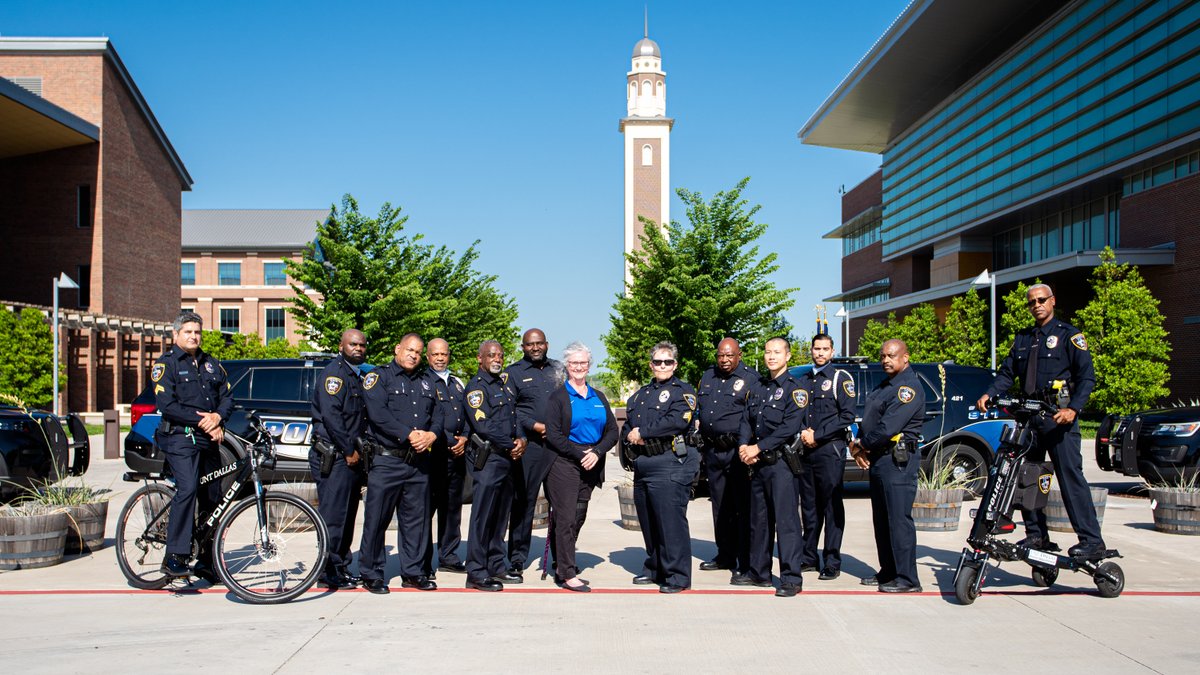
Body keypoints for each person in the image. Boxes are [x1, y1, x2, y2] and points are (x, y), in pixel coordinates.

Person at [976, 283, 1104, 559]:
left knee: (1071, 479)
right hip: (1030, 419)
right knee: (1028, 480)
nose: (1036, 305)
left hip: (1058, 420)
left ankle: (1092, 541)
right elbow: (1007, 373)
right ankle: (1036, 536)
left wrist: (1075, 409)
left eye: (1041, 300)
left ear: (1053, 301)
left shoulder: (1069, 336)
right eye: (1032, 302)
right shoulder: (1023, 338)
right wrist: (989, 393)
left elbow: (1087, 378)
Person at [358, 333, 442, 594]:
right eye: (409, 350)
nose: (413, 355)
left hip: (418, 462)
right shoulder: (379, 378)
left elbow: (439, 414)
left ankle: (413, 572)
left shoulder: (428, 382)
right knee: (377, 519)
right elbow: (378, 415)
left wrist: (432, 434)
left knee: (415, 521)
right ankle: (371, 572)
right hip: (387, 461)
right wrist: (409, 434)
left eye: (418, 352)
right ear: (398, 348)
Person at [152, 311, 233, 580]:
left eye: (197, 331)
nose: (193, 336)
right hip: (179, 437)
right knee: (187, 488)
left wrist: (218, 417)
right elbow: (167, 405)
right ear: (175, 335)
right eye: (187, 331)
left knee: (212, 497)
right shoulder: (167, 364)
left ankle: (206, 560)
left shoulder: (212, 364)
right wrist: (203, 421)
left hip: (207, 439)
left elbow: (227, 397)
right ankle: (174, 555)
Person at [622, 341, 700, 594]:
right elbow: (628, 426)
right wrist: (630, 440)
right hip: (644, 463)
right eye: (658, 361)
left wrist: (643, 432)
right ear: (651, 364)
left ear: (675, 364)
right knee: (649, 520)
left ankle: (677, 576)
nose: (663, 366)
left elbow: (677, 421)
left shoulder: (683, 391)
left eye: (668, 361)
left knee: (670, 522)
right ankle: (655, 567)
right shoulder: (641, 395)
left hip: (670, 461)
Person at [850, 339, 926, 593]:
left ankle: (907, 579)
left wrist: (861, 444)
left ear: (905, 357)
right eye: (882, 356)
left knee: (898, 520)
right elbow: (871, 419)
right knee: (882, 520)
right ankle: (888, 572)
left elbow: (888, 427)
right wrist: (859, 442)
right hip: (880, 459)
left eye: (891, 355)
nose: (885, 360)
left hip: (897, 461)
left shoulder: (908, 388)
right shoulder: (885, 385)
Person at [543, 341, 618, 592]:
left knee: (578, 516)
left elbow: (612, 431)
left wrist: (596, 452)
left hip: (592, 462)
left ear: (589, 365)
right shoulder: (558, 397)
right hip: (564, 463)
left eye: (583, 363)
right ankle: (566, 572)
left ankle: (560, 561)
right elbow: (553, 434)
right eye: (574, 363)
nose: (578, 367)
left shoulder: (599, 397)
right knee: (565, 517)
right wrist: (579, 453)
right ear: (567, 366)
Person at [738, 337, 806, 597]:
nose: (771, 357)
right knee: (759, 521)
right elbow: (746, 420)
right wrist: (744, 446)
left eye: (777, 352)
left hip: (781, 465)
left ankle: (791, 578)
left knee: (786, 522)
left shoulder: (795, 389)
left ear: (788, 356)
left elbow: (788, 428)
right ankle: (759, 572)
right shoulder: (757, 387)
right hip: (757, 465)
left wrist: (758, 447)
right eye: (768, 352)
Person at [463, 340, 528, 591]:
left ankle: (496, 566)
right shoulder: (476, 389)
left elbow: (515, 417)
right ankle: (476, 572)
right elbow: (483, 426)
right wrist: (512, 444)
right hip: (489, 460)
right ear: (480, 359)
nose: (496, 359)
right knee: (483, 517)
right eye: (491, 355)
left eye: (500, 355)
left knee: (500, 518)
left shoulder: (504, 386)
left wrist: (521, 438)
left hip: (507, 461)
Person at [309, 328, 370, 589]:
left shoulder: (357, 375)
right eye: (353, 344)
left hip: (350, 457)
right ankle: (327, 571)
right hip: (335, 456)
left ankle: (341, 566)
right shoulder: (334, 375)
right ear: (341, 345)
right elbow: (333, 418)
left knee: (347, 516)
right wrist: (348, 450)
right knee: (333, 517)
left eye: (362, 345)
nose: (358, 348)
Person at [503, 328, 564, 581]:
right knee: (523, 503)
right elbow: (511, 410)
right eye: (530, 344)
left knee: (561, 504)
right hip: (531, 446)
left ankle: (563, 560)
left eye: (539, 343)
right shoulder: (513, 373)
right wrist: (535, 428)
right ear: (523, 347)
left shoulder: (560, 370)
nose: (535, 348)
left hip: (558, 446)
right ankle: (516, 559)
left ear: (547, 344)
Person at [695, 337, 757, 583]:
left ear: (739, 355)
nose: (725, 359)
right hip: (712, 451)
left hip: (736, 451)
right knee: (720, 507)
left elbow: (752, 416)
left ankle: (744, 559)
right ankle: (725, 555)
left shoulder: (750, 379)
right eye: (721, 355)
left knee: (742, 508)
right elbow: (701, 408)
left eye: (730, 355)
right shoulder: (708, 376)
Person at [797, 334, 856, 581]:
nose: (820, 353)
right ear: (811, 350)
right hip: (806, 451)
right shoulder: (803, 380)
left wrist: (817, 435)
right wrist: (802, 433)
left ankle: (832, 560)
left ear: (832, 352)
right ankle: (809, 556)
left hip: (829, 450)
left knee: (831, 507)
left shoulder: (840, 379)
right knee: (809, 507)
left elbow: (847, 416)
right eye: (816, 348)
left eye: (825, 349)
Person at [422, 338, 469, 578]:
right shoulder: (422, 382)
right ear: (427, 357)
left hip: (456, 457)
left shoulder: (458, 383)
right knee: (426, 510)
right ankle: (423, 562)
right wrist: (451, 440)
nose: (440, 358)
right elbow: (427, 418)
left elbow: (470, 415)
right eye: (435, 354)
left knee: (452, 510)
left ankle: (449, 556)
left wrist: (466, 438)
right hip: (433, 457)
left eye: (444, 354)